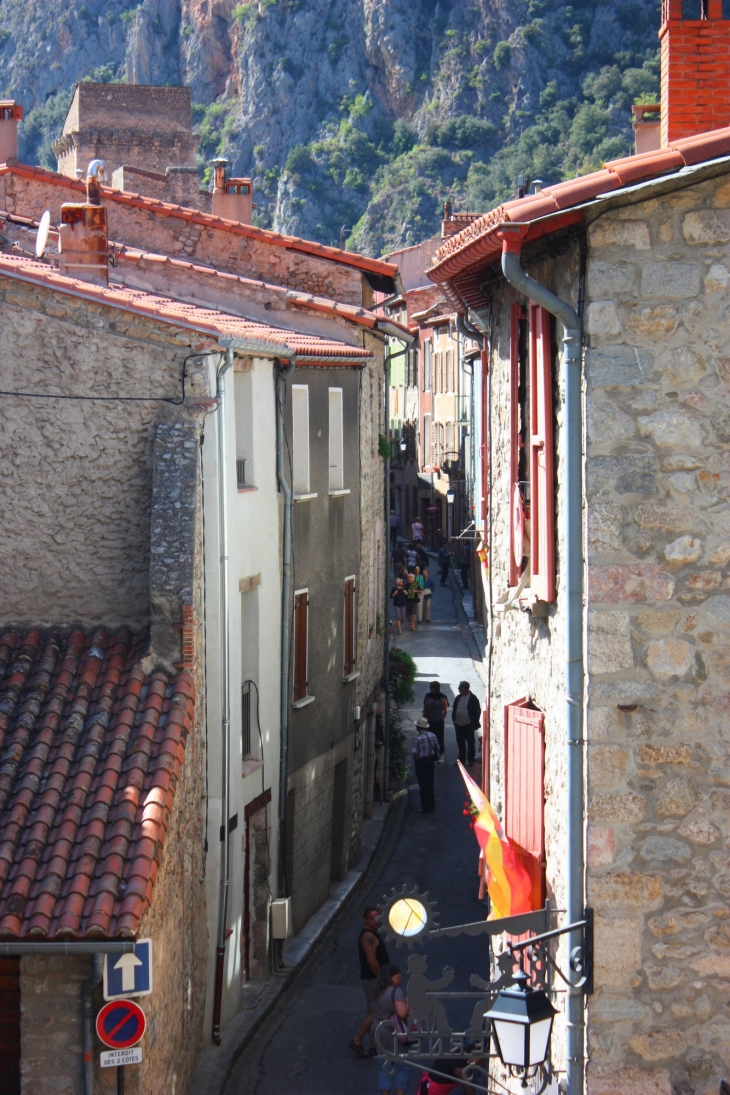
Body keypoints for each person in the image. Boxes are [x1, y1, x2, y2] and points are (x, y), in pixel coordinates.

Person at [349, 907, 391, 1058]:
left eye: (377, 918)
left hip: (374, 979)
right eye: (372, 919)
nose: (376, 921)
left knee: (376, 1011)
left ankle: (373, 1045)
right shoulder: (369, 936)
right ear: (365, 920)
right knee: (375, 1012)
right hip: (373, 979)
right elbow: (371, 960)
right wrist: (381, 979)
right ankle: (357, 1039)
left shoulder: (372, 935)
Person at [371, 965, 410, 1095]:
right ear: (390, 977)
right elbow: (402, 1013)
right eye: (397, 975)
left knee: (384, 1068)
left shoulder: (376, 991)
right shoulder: (396, 992)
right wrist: (408, 1003)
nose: (400, 977)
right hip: (395, 1035)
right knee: (403, 1067)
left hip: (378, 1033)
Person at [412, 716, 440, 812]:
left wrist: (416, 762)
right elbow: (437, 748)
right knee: (430, 784)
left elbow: (415, 753)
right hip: (430, 761)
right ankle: (432, 805)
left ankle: (425, 807)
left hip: (421, 762)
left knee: (423, 785)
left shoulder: (418, 739)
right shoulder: (432, 735)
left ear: (419, 727)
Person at [452, 681, 481, 767]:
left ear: (464, 688)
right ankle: (461, 759)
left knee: (470, 743)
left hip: (468, 725)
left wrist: (473, 722)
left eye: (460, 687)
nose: (458, 689)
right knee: (460, 743)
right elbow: (454, 709)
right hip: (458, 724)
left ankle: (471, 760)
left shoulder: (473, 698)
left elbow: (477, 711)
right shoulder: (458, 698)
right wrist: (454, 719)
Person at [423, 680, 448, 759]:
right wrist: (424, 717)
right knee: (428, 737)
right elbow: (425, 707)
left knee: (439, 737)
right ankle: (430, 753)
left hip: (438, 721)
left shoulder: (442, 697)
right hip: (428, 720)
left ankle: (440, 754)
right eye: (430, 687)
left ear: (436, 688)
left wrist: (442, 719)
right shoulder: (427, 696)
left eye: (432, 687)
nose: (430, 689)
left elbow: (445, 710)